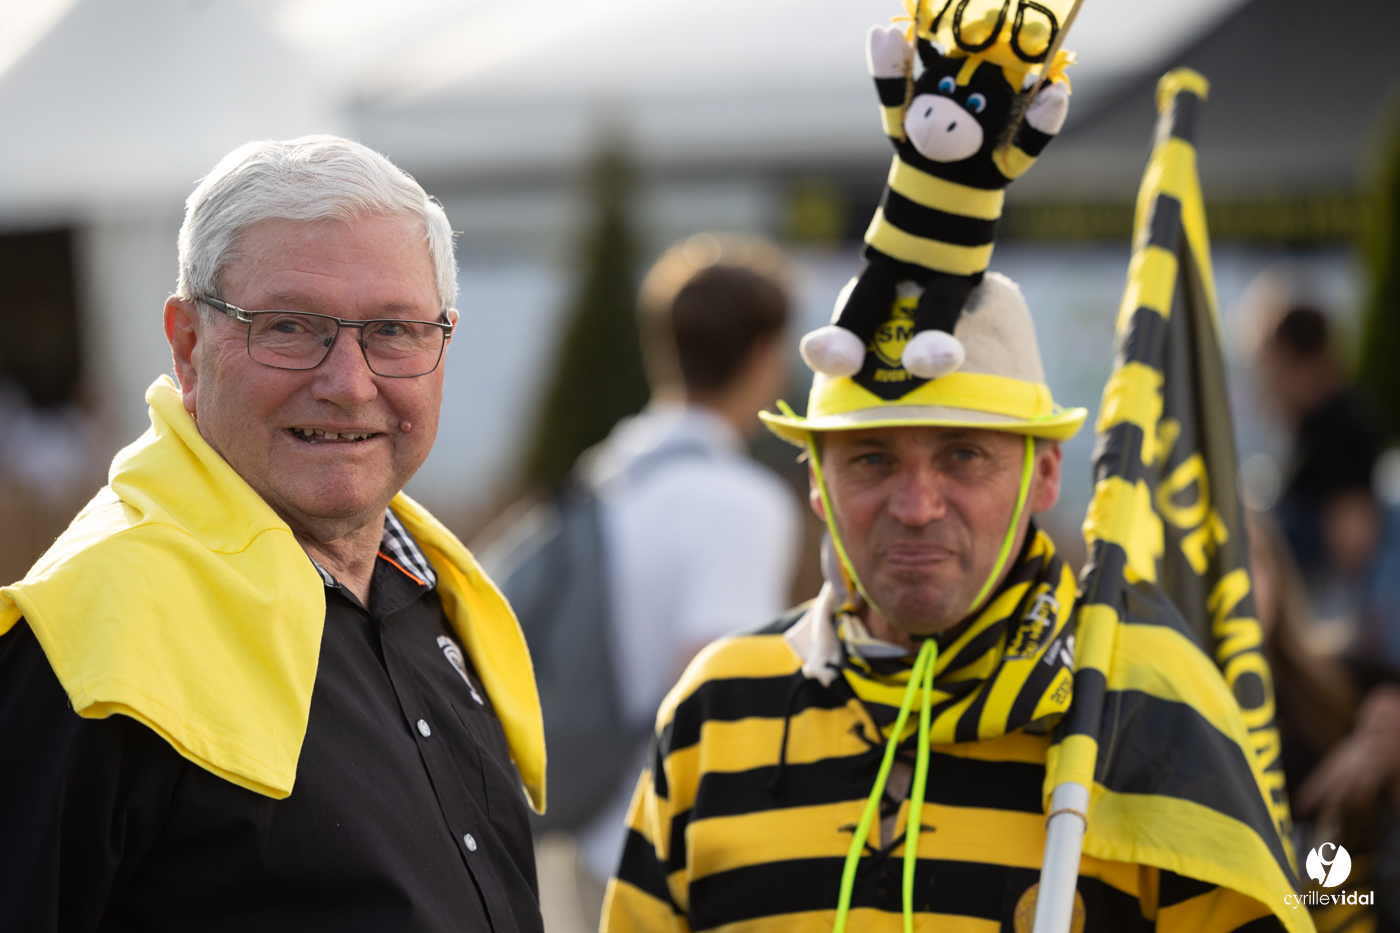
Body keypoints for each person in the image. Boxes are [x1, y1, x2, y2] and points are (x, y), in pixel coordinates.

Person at [603, 272, 1291, 931]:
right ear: (817, 480)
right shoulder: (716, 707)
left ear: (1044, 473)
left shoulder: (1152, 703)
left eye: (962, 454)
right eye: (871, 457)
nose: (916, 505)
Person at [0, 136, 545, 932]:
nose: (349, 383)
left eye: (394, 330)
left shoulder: (426, 585)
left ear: (443, 342)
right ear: (189, 346)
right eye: (290, 326)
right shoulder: (93, 638)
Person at [546, 234, 803, 921]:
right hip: (680, 845)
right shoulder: (743, 504)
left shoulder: (607, 469)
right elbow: (718, 693)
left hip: (592, 825)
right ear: (763, 354)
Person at [1249, 513, 1400, 931]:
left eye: (1248, 560)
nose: (1231, 585)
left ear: (1277, 572)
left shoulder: (1353, 683)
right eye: (1207, 564)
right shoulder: (1156, 731)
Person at [1259, 307, 1382, 585]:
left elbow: (1354, 539)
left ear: (1288, 354)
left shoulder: (1345, 425)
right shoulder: (1311, 423)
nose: (1267, 380)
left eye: (1270, 365)